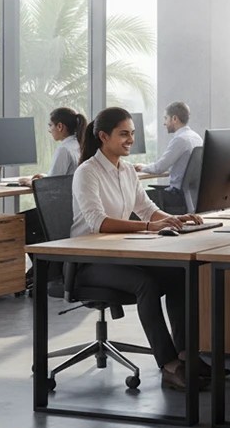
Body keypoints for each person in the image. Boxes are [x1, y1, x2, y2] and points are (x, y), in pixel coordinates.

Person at [69, 107, 206, 393]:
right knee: (146, 283)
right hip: (88, 261)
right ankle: (169, 365)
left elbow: (146, 209)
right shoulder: (87, 172)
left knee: (179, 275)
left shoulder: (128, 170)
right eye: (124, 134)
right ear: (103, 137)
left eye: (132, 133)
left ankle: (185, 356)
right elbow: (97, 222)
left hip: (119, 254)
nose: (130, 139)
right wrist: (147, 228)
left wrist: (171, 219)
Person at [139, 101, 203, 212]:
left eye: (165, 118)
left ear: (174, 119)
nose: (164, 123)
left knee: (136, 198)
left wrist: (141, 167)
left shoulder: (180, 139)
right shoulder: (196, 137)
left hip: (177, 197)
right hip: (191, 196)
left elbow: (159, 168)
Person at [23, 107, 85, 187]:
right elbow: (59, 177)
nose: (49, 130)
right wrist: (46, 177)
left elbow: (52, 184)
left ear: (60, 126)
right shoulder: (78, 144)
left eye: (50, 125)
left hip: (64, 197)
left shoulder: (64, 149)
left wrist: (31, 183)